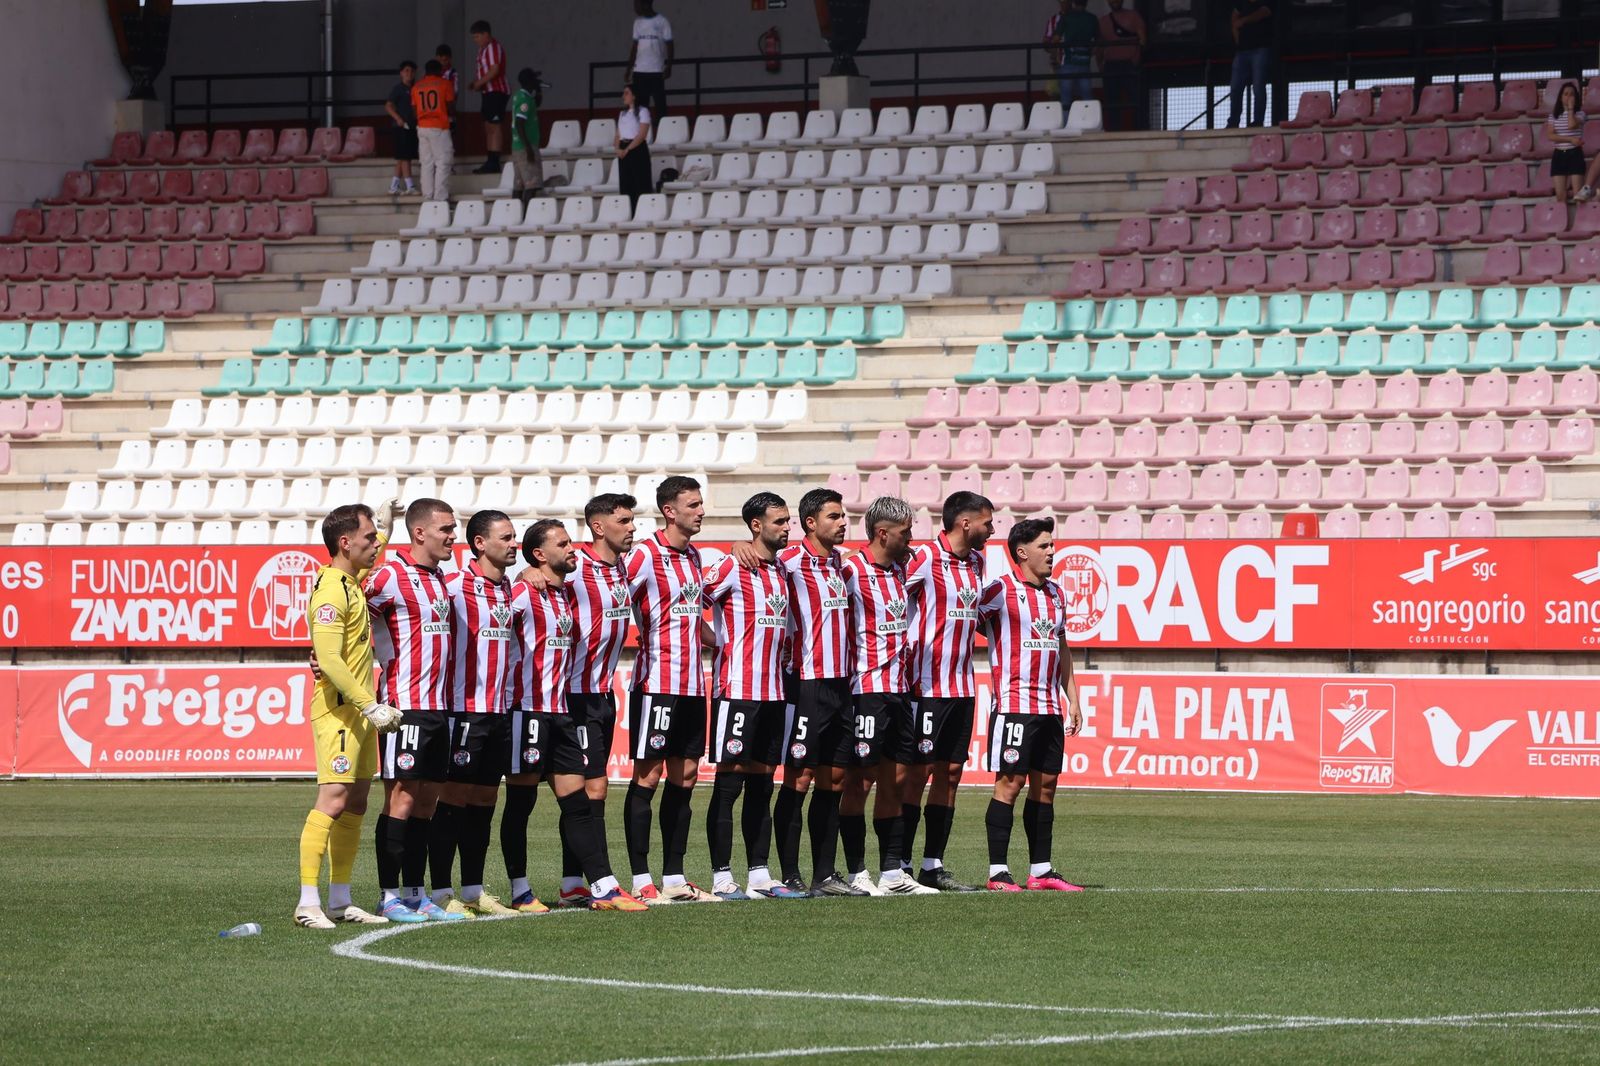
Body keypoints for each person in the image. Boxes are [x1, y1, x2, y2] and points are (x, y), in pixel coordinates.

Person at [504, 521, 648, 913]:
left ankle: (602, 887)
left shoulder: (566, 593)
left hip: (562, 712)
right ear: (539, 554)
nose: (572, 549)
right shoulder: (522, 592)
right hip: (527, 712)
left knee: (578, 803)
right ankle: (520, 890)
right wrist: (523, 573)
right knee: (520, 804)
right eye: (563, 544)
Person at [294, 502, 400, 929]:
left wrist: (385, 526)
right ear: (345, 543)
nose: (376, 545)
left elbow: (371, 547)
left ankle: (340, 899)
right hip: (339, 711)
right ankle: (307, 903)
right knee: (333, 799)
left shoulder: (351, 580)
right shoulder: (331, 591)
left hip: (357, 714)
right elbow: (329, 659)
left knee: (356, 802)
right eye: (369, 538)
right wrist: (368, 704)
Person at [363, 498, 463, 923]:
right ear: (420, 533)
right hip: (404, 706)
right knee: (401, 799)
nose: (453, 536)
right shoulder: (390, 575)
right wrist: (321, 654)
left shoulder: (439, 578)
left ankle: (416, 894)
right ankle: (388, 896)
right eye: (446, 529)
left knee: (426, 803)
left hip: (439, 707)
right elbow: (349, 612)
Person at [702, 493, 806, 900]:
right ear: (756, 525)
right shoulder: (732, 566)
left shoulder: (782, 568)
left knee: (763, 785)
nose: (787, 527)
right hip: (737, 692)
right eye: (779, 521)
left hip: (774, 693)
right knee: (729, 785)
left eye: (788, 521)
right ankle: (721, 877)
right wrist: (718, 642)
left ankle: (760, 876)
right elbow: (689, 603)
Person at [976, 517, 1085, 893]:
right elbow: (966, 624)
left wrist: (1073, 698)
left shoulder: (1057, 594)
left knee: (1047, 786)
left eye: (1052, 545)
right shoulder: (999, 590)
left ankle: (1041, 871)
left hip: (1049, 707)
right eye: (1044, 546)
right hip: (1014, 706)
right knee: (1010, 784)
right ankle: (997, 872)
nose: (1052, 551)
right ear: (1022, 552)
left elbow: (1062, 647)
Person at [624, 476, 718, 904]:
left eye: (701, 504)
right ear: (670, 511)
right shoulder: (645, 554)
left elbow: (692, 615)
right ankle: (641, 878)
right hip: (656, 685)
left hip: (693, 686)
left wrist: (720, 641)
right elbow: (612, 592)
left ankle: (675, 878)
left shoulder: (696, 556)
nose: (701, 511)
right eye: (693, 505)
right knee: (648, 775)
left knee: (686, 777)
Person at [841, 496, 937, 897]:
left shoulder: (903, 569)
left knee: (896, 780)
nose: (911, 538)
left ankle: (893, 873)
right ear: (882, 533)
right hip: (865, 690)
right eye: (905, 532)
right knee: (859, 781)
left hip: (900, 689)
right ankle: (855, 871)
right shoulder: (850, 569)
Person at [901, 491, 995, 893]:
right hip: (925, 685)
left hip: (962, 685)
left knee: (951, 773)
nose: (992, 530)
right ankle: (899, 864)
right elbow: (890, 595)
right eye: (988, 523)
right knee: (917, 773)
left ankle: (932, 865)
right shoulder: (923, 557)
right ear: (965, 523)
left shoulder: (976, 562)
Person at [773, 488, 865, 897]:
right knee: (799, 778)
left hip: (841, 685)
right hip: (805, 684)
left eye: (843, 515)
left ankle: (824, 875)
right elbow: (752, 564)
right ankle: (790, 874)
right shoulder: (788, 563)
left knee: (834, 779)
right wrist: (741, 546)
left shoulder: (843, 565)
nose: (843, 522)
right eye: (834, 516)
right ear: (810, 523)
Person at [429, 509, 521, 918]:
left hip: (498, 712)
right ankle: (439, 890)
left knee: (485, 801)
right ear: (480, 543)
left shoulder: (511, 589)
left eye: (515, 537)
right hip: (462, 712)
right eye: (506, 537)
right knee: (452, 800)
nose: (514, 544)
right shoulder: (451, 586)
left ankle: (473, 889)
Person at [411, 59, 456, 204]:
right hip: (439, 127)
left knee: (426, 163)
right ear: (439, 71)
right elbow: (450, 106)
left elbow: (414, 111)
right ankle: (440, 197)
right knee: (443, 161)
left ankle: (427, 196)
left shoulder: (416, 86)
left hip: (422, 127)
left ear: (426, 71)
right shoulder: (445, 84)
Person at [1098, 0, 1147, 131]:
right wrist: (1100, 65)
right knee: (1112, 102)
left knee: (1136, 100)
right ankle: (1114, 132)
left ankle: (1139, 131)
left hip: (1129, 65)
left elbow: (1143, 40)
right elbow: (1099, 47)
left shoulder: (1133, 16)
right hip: (1111, 66)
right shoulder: (1103, 21)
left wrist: (1135, 60)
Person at [470, 20, 510, 175]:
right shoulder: (482, 49)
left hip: (497, 91)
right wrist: (477, 84)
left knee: (495, 126)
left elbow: (494, 70)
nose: (475, 40)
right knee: (488, 126)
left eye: (477, 36)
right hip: (487, 92)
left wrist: (479, 83)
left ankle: (494, 161)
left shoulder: (493, 47)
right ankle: (490, 160)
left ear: (486, 34)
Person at [1227, 0, 1273, 129]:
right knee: (1235, 87)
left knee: (1258, 86)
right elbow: (1234, 21)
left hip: (1260, 49)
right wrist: (1239, 43)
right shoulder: (1240, 3)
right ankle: (1233, 121)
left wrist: (1243, 21)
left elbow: (1264, 12)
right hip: (1242, 51)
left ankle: (1258, 121)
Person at [1049, 0, 1099, 114]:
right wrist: (1090, 52)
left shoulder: (1067, 17)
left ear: (1073, 2)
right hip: (1084, 63)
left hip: (1068, 62)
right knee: (1087, 99)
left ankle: (1067, 123)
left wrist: (1054, 57)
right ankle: (1088, 121)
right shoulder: (1092, 18)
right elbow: (1098, 41)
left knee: (1066, 100)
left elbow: (1055, 39)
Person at [628, 0, 673, 120]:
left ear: (646, 4)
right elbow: (635, 46)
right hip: (639, 71)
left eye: (637, 4)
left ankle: (662, 130)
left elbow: (670, 44)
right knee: (641, 107)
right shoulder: (637, 22)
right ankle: (644, 131)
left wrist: (669, 66)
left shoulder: (662, 21)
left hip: (656, 70)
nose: (635, 7)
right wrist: (629, 68)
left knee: (660, 105)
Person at [616, 84, 653, 215]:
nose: (623, 96)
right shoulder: (622, 113)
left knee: (640, 181)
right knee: (626, 182)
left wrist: (628, 149)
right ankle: (629, 213)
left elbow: (642, 135)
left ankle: (642, 212)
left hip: (636, 148)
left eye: (626, 93)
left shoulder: (643, 111)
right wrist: (617, 149)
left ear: (634, 96)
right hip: (623, 147)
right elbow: (618, 134)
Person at [510, 68, 544, 204]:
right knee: (531, 185)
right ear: (529, 82)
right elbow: (519, 123)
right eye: (534, 79)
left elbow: (537, 103)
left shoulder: (520, 96)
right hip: (526, 147)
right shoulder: (525, 100)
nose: (537, 81)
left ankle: (515, 213)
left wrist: (539, 90)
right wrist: (528, 148)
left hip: (517, 147)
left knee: (519, 186)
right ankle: (527, 214)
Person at [384, 60, 419, 196]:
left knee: (402, 157)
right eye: (406, 71)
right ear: (401, 73)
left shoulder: (415, 88)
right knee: (405, 157)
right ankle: (410, 186)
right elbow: (388, 106)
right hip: (401, 127)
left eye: (412, 71)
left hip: (412, 126)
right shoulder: (398, 89)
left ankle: (394, 186)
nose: (409, 74)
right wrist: (398, 118)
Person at [1548, 82, 1586, 204]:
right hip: (1559, 154)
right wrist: (1570, 139)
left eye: (1571, 94)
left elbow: (1571, 125)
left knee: (1578, 194)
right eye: (1566, 94)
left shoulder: (1580, 114)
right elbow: (1551, 135)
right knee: (1560, 196)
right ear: (1561, 97)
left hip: (1575, 154)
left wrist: (1570, 109)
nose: (1568, 97)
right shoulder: (1553, 116)